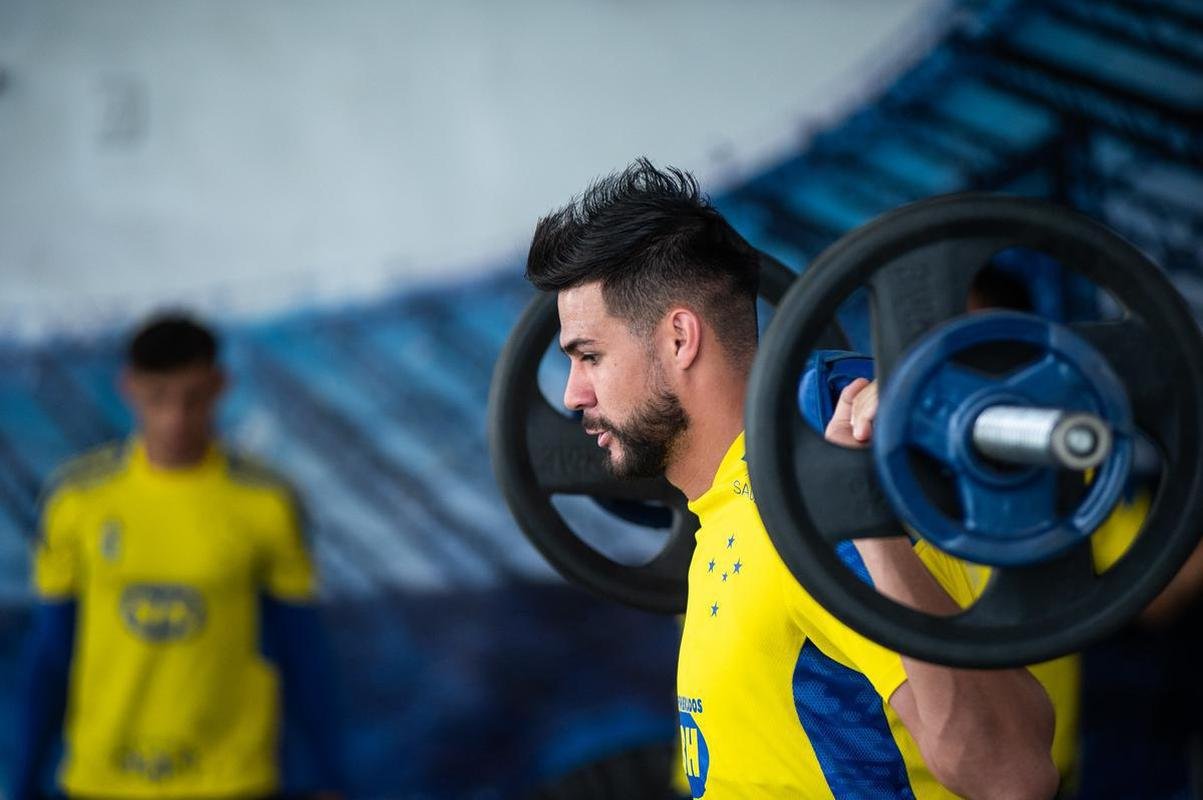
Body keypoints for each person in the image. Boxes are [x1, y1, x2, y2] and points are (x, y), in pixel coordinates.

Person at [525, 159, 1059, 799]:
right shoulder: (724, 509)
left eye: (590, 356)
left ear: (678, 339)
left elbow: (1014, 774)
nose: (572, 394)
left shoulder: (816, 509)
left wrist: (866, 523)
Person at [10, 313, 343, 800]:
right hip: (104, 778)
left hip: (230, 779)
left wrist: (329, 778)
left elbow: (302, 652)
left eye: (193, 398)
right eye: (158, 398)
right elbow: (51, 651)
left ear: (219, 386)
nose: (175, 418)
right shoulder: (77, 500)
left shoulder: (266, 502)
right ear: (129, 389)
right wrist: (22, 783)